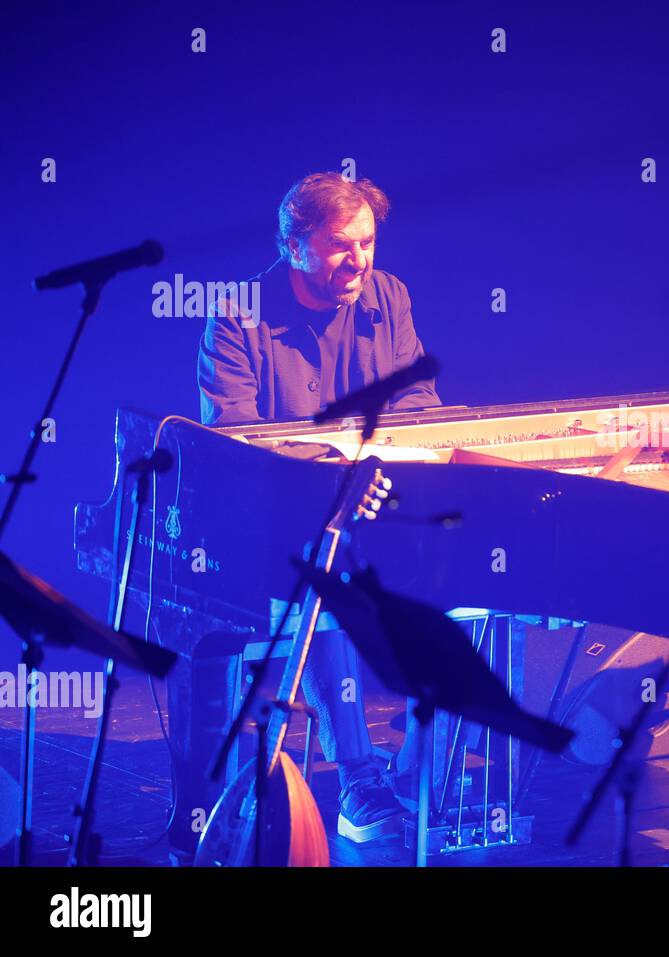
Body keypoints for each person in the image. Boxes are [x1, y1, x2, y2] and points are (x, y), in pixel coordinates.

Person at [198, 171, 439, 842]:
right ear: (293, 245)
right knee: (325, 563)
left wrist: (402, 459)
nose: (359, 260)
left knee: (465, 549)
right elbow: (236, 440)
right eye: (340, 245)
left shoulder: (387, 296)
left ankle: (423, 758)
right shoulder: (237, 314)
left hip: (378, 496)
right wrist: (333, 473)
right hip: (277, 518)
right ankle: (359, 773)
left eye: (367, 243)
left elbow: (417, 401)